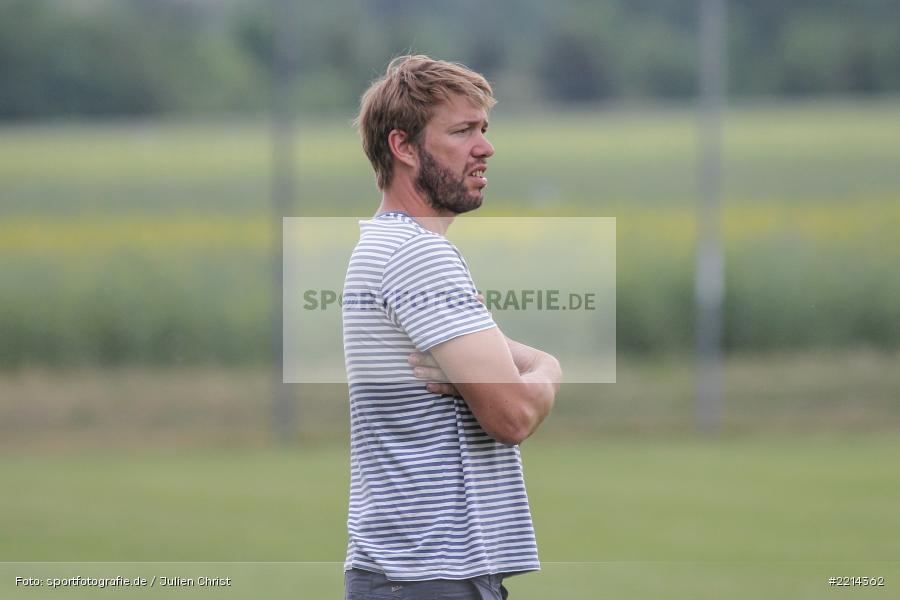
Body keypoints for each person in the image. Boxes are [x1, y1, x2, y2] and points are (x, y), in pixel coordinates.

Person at [342, 55, 562, 600]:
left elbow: (494, 367)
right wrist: (548, 367)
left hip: (402, 573)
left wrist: (499, 359)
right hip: (429, 577)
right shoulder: (419, 256)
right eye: (462, 131)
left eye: (483, 129)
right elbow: (513, 414)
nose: (484, 147)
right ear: (404, 147)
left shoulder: (381, 245)